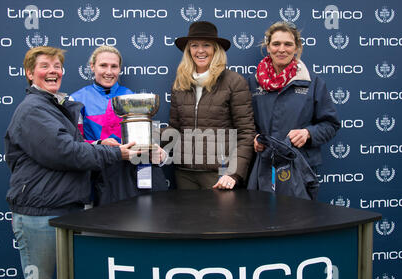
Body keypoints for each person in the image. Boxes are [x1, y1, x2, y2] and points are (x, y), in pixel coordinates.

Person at [5, 46, 139, 279]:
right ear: (29, 74)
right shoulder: (34, 109)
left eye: (57, 66)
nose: (52, 71)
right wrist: (114, 154)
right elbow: (66, 153)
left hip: (64, 209)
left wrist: (99, 145)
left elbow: (72, 146)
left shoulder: (54, 106)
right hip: (39, 216)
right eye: (44, 66)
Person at [247, 21, 340, 197]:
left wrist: (308, 133)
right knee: (260, 220)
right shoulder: (253, 82)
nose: (281, 49)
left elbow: (331, 124)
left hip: (299, 167)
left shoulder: (313, 83)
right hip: (264, 166)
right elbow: (244, 123)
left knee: (299, 221)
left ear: (296, 47)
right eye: (276, 44)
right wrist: (254, 137)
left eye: (288, 44)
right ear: (268, 47)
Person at [71, 46, 167, 205]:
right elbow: (74, 144)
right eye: (103, 65)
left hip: (130, 175)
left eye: (114, 66)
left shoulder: (130, 95)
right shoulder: (77, 99)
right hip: (98, 175)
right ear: (92, 66)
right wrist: (100, 145)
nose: (109, 71)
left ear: (119, 69)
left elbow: (143, 141)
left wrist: (157, 154)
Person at [167, 21, 255, 190]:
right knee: (187, 218)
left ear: (216, 49)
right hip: (184, 173)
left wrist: (234, 172)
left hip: (219, 175)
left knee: (220, 217)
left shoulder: (234, 82)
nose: (200, 50)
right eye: (194, 45)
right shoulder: (180, 84)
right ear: (188, 50)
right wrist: (148, 137)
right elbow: (176, 128)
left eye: (206, 45)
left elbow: (246, 133)